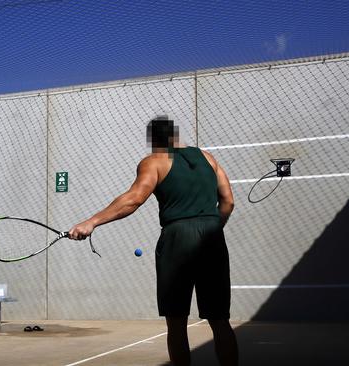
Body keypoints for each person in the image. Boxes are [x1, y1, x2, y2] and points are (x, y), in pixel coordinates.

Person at [69, 116, 238, 365]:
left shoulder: (155, 161)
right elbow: (228, 201)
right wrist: (212, 228)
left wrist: (91, 221)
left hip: (177, 237)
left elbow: (134, 199)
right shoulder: (208, 158)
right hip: (213, 236)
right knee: (219, 319)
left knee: (177, 320)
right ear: (176, 135)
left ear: (154, 140)